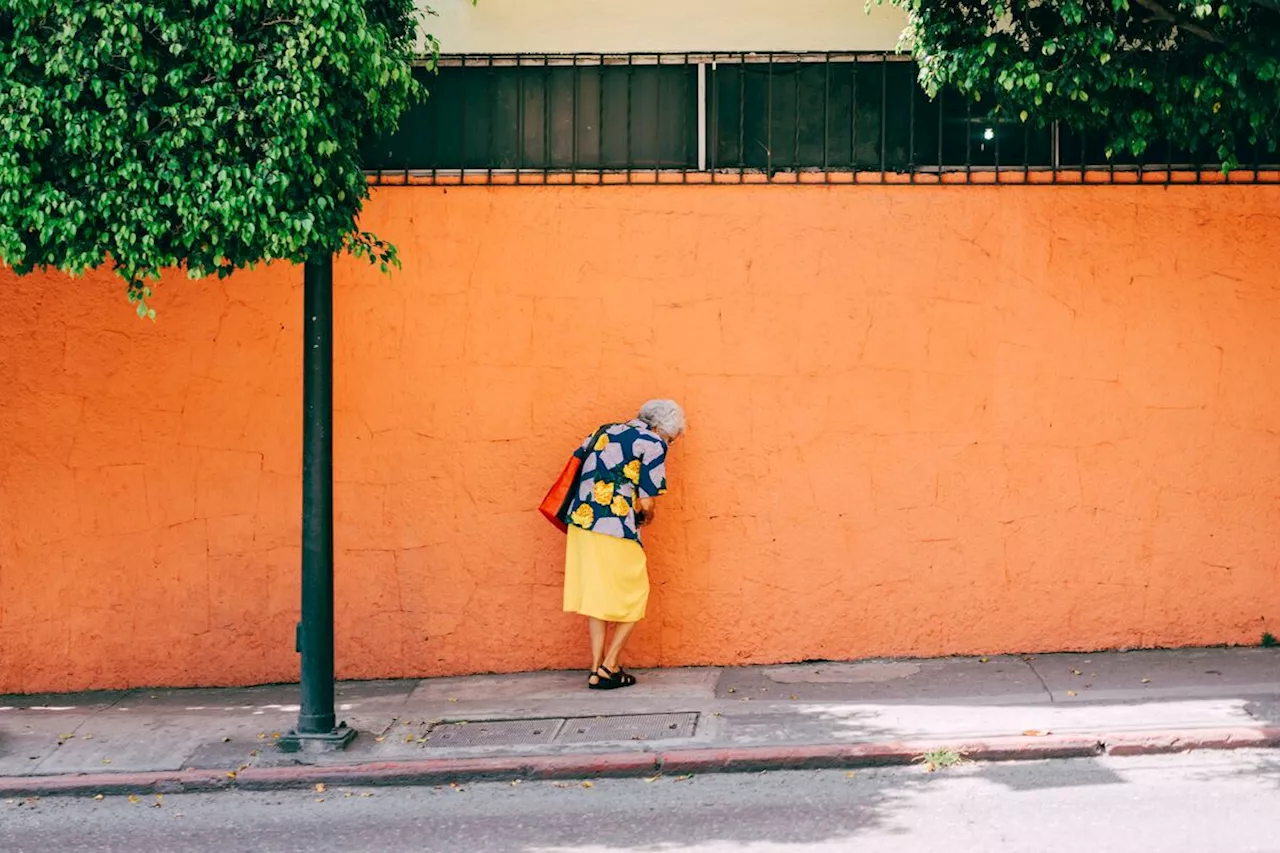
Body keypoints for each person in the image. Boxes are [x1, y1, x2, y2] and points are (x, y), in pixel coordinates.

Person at [562, 399, 686, 690]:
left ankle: (595, 668)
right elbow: (646, 499)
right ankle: (610, 665)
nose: (670, 443)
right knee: (635, 592)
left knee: (598, 593)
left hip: (582, 521)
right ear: (660, 428)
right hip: (615, 525)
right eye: (672, 437)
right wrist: (649, 516)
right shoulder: (653, 442)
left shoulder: (604, 430)